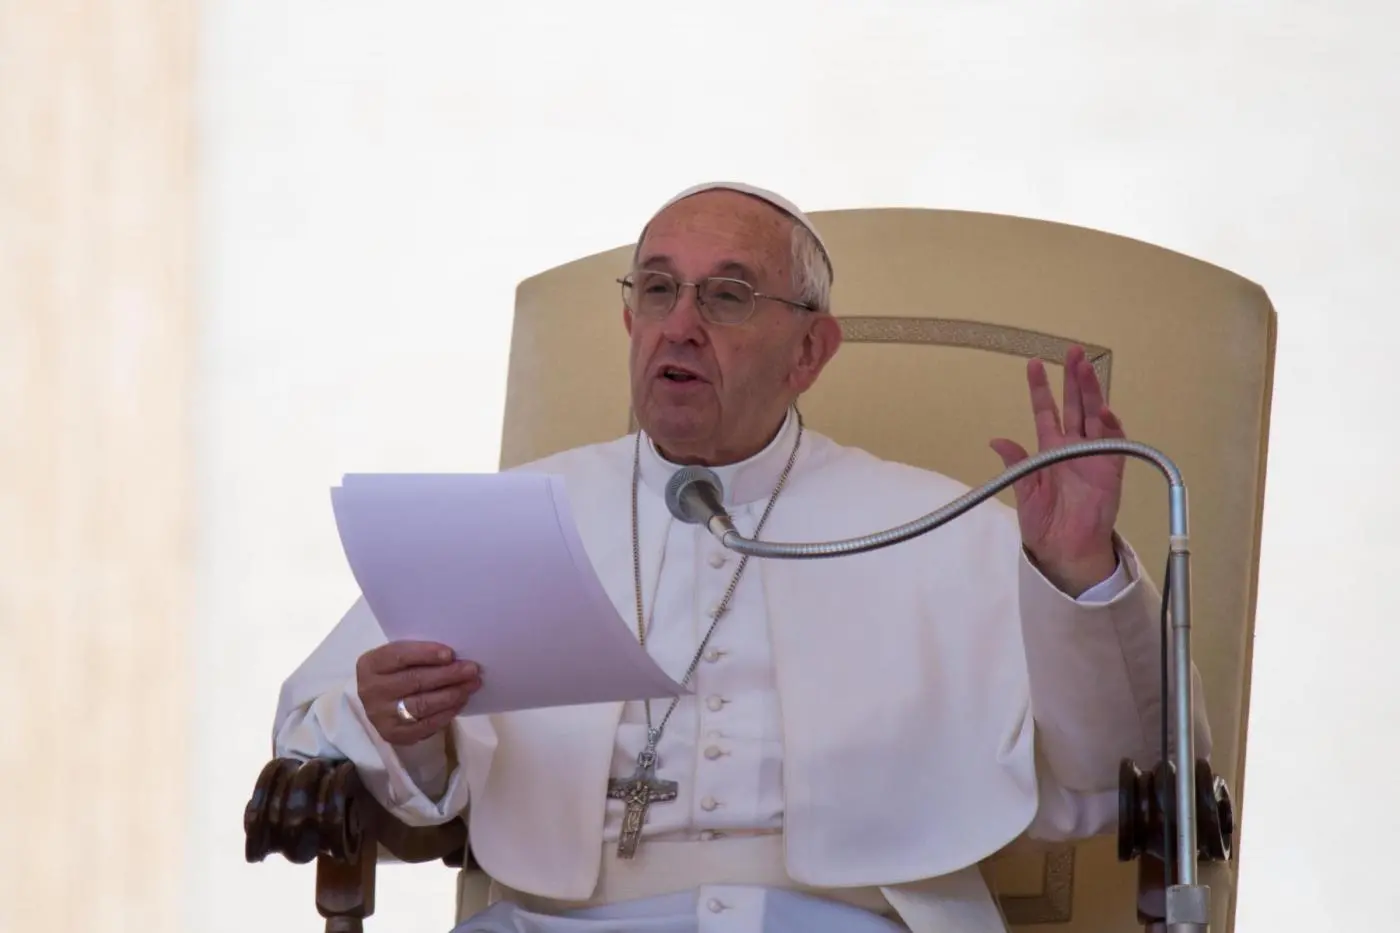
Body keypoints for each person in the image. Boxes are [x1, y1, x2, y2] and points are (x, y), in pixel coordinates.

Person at [273, 181, 1211, 933]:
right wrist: (406, 729)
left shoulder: (938, 523)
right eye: (655, 288)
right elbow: (319, 734)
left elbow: (1113, 780)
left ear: (811, 350)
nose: (680, 324)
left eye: (726, 295)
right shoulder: (512, 518)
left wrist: (1075, 577)